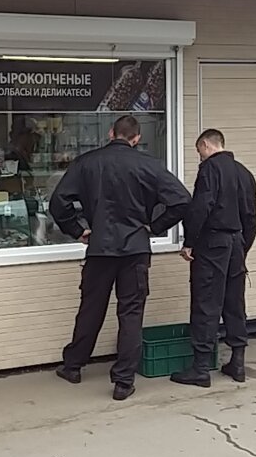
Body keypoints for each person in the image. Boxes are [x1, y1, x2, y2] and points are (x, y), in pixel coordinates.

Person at [49, 115, 191, 401]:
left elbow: (58, 202)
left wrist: (77, 230)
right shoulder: (149, 165)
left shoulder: (87, 163)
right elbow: (182, 200)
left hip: (100, 246)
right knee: (131, 313)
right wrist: (156, 226)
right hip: (135, 247)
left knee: (91, 308)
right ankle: (123, 381)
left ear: (111, 133)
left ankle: (73, 365)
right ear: (137, 138)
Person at [171, 129, 256, 388]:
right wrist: (243, 247)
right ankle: (237, 362)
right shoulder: (244, 173)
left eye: (199, 151)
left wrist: (190, 241)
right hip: (236, 244)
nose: (199, 156)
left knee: (206, 301)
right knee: (234, 302)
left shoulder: (210, 169)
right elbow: (252, 216)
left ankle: (200, 368)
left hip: (212, 243)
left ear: (206, 145)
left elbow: (201, 207)